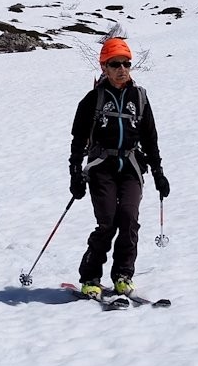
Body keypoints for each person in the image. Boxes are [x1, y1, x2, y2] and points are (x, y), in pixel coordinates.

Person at [68, 36, 169, 299]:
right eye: (115, 64)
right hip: (102, 166)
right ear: (104, 67)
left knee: (129, 219)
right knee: (107, 222)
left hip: (132, 166)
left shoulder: (140, 97)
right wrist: (75, 173)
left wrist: (158, 172)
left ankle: (123, 275)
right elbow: (78, 140)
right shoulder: (92, 100)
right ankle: (90, 276)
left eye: (126, 63)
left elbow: (150, 138)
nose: (122, 69)